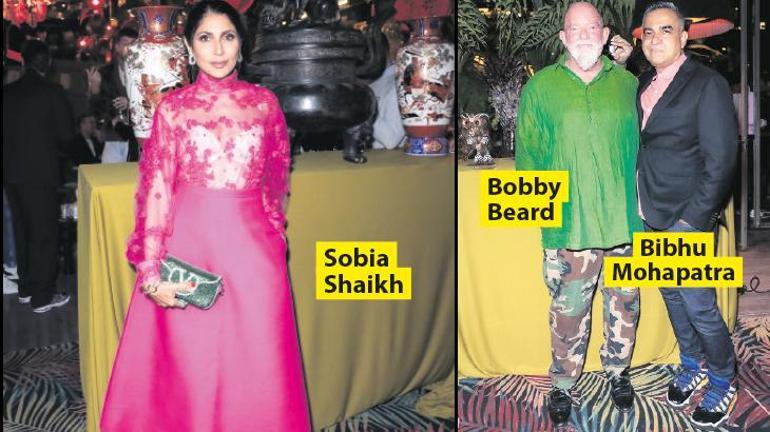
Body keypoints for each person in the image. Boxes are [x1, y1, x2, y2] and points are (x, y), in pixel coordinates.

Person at [99, 1, 311, 430]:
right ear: (190, 47)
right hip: (191, 249)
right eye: (205, 38)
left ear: (241, 44)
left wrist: (274, 235)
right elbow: (157, 189)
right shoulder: (172, 109)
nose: (218, 49)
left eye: (228, 37)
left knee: (259, 364)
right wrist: (150, 271)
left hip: (255, 256)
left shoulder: (265, 104)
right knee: (194, 368)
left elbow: (276, 177)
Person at [515, 2, 641, 425]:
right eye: (575, 28)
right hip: (570, 226)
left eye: (592, 27)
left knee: (624, 304)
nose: (584, 35)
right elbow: (529, 162)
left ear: (605, 35)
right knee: (568, 312)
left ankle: (618, 373)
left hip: (624, 223)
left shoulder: (628, 84)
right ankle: (563, 383)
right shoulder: (540, 88)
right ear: (563, 37)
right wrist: (548, 235)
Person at [636, 2, 738, 428]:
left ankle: (723, 379)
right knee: (673, 298)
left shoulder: (707, 83)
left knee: (699, 306)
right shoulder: (643, 83)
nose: (656, 38)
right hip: (650, 212)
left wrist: (692, 221)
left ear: (683, 37)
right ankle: (692, 363)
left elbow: (722, 160)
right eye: (649, 31)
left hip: (686, 218)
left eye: (666, 30)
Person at [3, 40, 74, 313]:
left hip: (11, 173)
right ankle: (42, 297)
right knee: (44, 235)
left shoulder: (8, 92)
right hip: (41, 173)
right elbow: (66, 137)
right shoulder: (53, 92)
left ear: (23, 62)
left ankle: (26, 288)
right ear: (48, 63)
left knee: (22, 231)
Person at [87, 27, 139, 162]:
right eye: (126, 44)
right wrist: (95, 89)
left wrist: (131, 103)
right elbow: (97, 110)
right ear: (117, 46)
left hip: (139, 137)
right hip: (113, 137)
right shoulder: (105, 73)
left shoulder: (145, 73)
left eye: (134, 44)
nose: (130, 48)